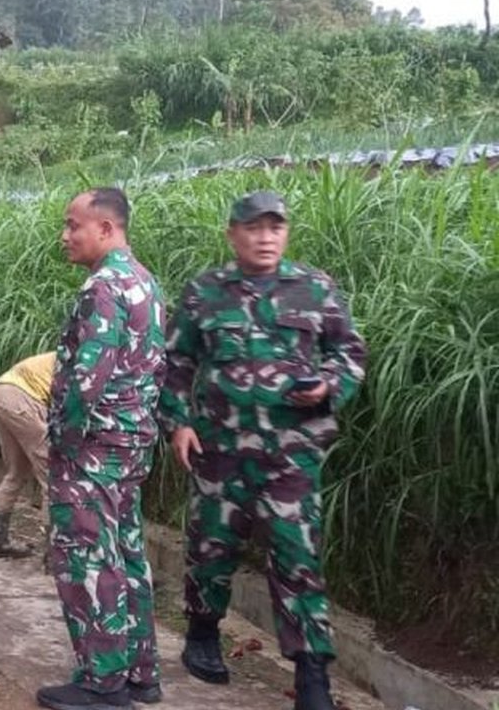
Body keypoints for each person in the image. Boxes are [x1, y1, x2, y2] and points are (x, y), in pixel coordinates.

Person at [159, 191, 366, 710]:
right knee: (211, 548)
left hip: (291, 454)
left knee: (298, 558)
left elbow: (349, 352)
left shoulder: (314, 289)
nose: (266, 236)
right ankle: (203, 633)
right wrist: (178, 424)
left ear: (286, 233)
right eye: (254, 228)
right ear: (233, 234)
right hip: (219, 448)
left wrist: (326, 387)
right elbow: (176, 362)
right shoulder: (206, 292)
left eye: (276, 227)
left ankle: (311, 673)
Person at [40, 188, 166, 710]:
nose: (66, 236)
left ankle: (102, 680)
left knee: (87, 559)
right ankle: (140, 673)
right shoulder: (145, 283)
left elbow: (82, 382)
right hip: (131, 444)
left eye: (74, 225)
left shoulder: (105, 288)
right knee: (127, 555)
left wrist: (63, 446)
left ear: (106, 229)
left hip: (93, 448)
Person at [0, 351, 56, 559]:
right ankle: (56, 555)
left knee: (16, 472)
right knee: (54, 476)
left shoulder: (59, 355)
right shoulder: (80, 362)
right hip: (23, 399)